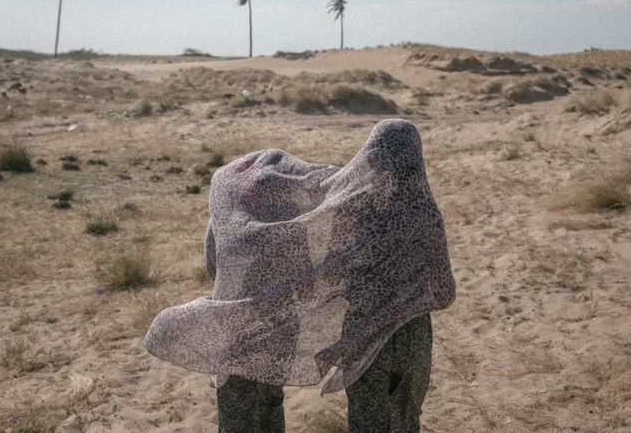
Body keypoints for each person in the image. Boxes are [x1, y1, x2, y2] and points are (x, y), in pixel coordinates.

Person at [144, 119, 455, 432]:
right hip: (396, 329)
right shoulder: (420, 210)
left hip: (256, 324)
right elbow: (443, 289)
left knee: (253, 410)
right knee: (394, 415)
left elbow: (215, 265)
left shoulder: (342, 210)